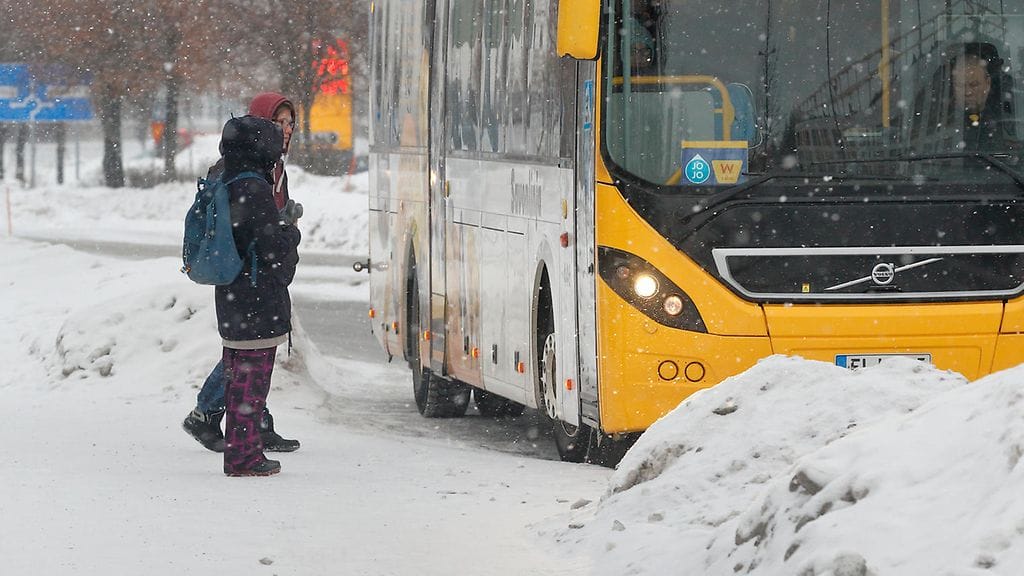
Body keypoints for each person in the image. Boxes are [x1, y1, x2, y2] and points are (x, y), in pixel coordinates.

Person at [182, 92, 301, 453]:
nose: (286, 130)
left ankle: (251, 423)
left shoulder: (271, 167)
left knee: (249, 354)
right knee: (248, 353)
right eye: (278, 123)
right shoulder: (245, 170)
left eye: (290, 123)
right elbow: (253, 229)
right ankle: (219, 419)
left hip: (256, 276)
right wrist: (284, 234)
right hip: (249, 277)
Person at [215, 114, 301, 476]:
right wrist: (291, 233)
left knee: (238, 379)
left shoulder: (226, 178)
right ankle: (244, 457)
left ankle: (241, 452)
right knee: (251, 384)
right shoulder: (253, 188)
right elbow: (271, 247)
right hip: (256, 298)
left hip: (233, 295)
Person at [948, 42, 1016, 150]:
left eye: (974, 85)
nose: (967, 92)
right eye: (960, 85)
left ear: (988, 83)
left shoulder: (1008, 122)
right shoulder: (940, 122)